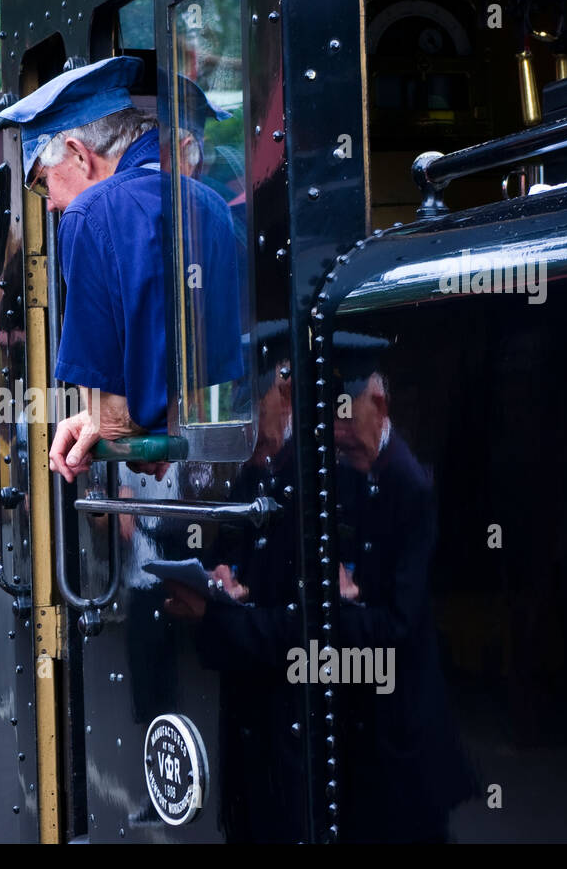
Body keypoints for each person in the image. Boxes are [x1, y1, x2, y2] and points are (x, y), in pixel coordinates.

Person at [164, 330, 475, 842]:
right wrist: (218, 585)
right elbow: (238, 572)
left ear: (284, 398)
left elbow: (314, 629)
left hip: (347, 742)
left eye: (251, 413)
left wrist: (228, 614)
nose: (245, 434)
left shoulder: (347, 482)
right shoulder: (256, 478)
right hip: (261, 733)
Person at [0, 57, 240, 483]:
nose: (49, 202)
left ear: (77, 155)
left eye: (41, 181)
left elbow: (114, 421)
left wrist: (97, 422)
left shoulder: (89, 214)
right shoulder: (212, 205)